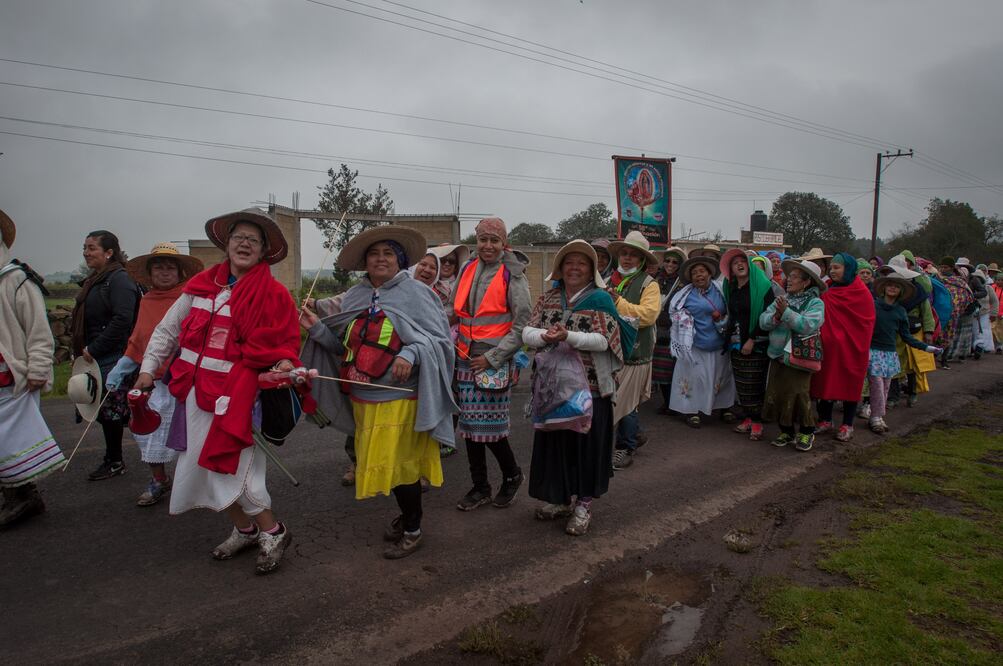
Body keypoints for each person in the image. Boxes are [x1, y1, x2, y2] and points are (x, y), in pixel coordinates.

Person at [135, 208, 300, 575]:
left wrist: (285, 364)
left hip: (240, 399)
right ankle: (244, 530)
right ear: (226, 244)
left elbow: (287, 345)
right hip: (193, 396)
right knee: (200, 469)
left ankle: (274, 532)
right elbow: (165, 332)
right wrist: (147, 370)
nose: (244, 244)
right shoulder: (198, 289)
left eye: (252, 240)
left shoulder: (274, 295)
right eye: (238, 237)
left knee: (238, 472)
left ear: (263, 252)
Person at [302, 226, 456, 559]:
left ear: (400, 260)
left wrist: (410, 353)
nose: (381, 259)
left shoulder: (418, 294)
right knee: (392, 467)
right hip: (363, 399)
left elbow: (442, 344)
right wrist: (315, 328)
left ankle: (413, 529)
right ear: (365, 261)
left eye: (388, 253)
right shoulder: (355, 296)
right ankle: (408, 517)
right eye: (374, 254)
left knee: (399, 467)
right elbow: (342, 349)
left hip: (400, 398)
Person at [522, 241, 627, 536]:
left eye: (582, 263)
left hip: (590, 390)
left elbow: (605, 341)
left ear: (592, 270)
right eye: (569, 262)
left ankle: (583, 504)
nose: (575, 268)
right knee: (557, 446)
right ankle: (560, 499)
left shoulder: (602, 300)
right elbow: (527, 332)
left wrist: (570, 336)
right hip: (553, 389)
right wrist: (546, 335)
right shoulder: (549, 298)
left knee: (587, 448)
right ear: (560, 268)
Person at [105, 242, 203, 506]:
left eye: (170, 267)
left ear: (180, 272)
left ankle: (193, 483)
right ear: (150, 273)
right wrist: (123, 366)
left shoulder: (191, 298)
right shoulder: (146, 301)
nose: (165, 272)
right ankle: (159, 480)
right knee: (148, 432)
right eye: (158, 267)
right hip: (153, 381)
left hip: (185, 379)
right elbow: (139, 339)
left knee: (191, 434)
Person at [448, 218, 531, 511]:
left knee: (492, 428)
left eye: (494, 240)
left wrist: (494, 357)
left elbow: (522, 324)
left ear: (504, 242)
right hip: (465, 357)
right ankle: (480, 487)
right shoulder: (468, 268)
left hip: (493, 360)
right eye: (483, 239)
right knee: (470, 427)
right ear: (476, 240)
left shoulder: (514, 273)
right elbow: (453, 311)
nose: (488, 246)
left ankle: (512, 475)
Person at [0, 210, 66, 527]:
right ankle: (14, 496)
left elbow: (38, 330)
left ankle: (24, 497)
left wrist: (38, 370)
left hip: (14, 379)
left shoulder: (15, 280)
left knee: (15, 443)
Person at [70, 229, 141, 480]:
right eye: (85, 247)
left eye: (92, 248)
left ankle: (115, 461)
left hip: (112, 354)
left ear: (109, 253)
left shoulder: (119, 279)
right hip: (96, 353)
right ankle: (114, 458)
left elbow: (123, 319)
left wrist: (95, 348)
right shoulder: (96, 279)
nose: (86, 253)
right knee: (104, 409)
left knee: (110, 410)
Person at [759, 260, 826, 451]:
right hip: (777, 355)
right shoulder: (781, 299)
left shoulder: (815, 303)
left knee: (799, 394)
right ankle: (786, 431)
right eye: (790, 276)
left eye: (795, 277)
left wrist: (786, 313)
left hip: (799, 358)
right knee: (778, 394)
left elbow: (808, 325)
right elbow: (763, 321)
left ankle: (806, 431)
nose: (789, 280)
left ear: (806, 282)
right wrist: (776, 317)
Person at [606, 231, 660, 467]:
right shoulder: (609, 281)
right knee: (616, 399)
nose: (627, 258)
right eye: (624, 254)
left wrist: (618, 303)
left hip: (635, 353)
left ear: (642, 260)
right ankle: (635, 434)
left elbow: (648, 316)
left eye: (633, 255)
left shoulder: (649, 284)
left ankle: (625, 446)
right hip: (610, 350)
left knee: (625, 402)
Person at [810, 253, 875, 442]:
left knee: (849, 384)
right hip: (828, 348)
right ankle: (825, 420)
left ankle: (847, 424)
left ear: (848, 269)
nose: (832, 271)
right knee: (826, 381)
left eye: (837, 268)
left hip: (852, 349)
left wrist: (846, 338)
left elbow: (866, 322)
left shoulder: (861, 293)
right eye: (831, 268)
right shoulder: (827, 289)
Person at [867, 274, 942, 433]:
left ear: (900, 290)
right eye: (890, 284)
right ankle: (875, 418)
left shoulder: (900, 311)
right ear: (884, 288)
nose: (892, 287)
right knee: (877, 387)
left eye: (896, 286)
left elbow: (906, 336)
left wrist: (927, 348)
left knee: (885, 387)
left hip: (890, 354)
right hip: (873, 353)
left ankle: (878, 416)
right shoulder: (872, 306)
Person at [667, 255, 735, 428]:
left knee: (721, 377)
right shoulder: (684, 295)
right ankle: (692, 411)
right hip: (695, 345)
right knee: (694, 378)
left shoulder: (721, 290)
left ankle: (725, 407)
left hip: (719, 343)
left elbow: (731, 309)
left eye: (702, 271)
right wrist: (683, 319)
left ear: (710, 273)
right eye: (694, 273)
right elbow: (673, 312)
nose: (699, 275)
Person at [721, 249, 773, 440]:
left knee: (755, 383)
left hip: (756, 344)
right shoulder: (731, 288)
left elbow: (767, 317)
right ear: (731, 269)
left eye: (743, 261)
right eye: (735, 263)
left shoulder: (763, 287)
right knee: (742, 384)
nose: (740, 264)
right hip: (736, 342)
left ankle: (758, 422)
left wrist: (752, 339)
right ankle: (749, 417)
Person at [652, 246, 687, 413]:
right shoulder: (655, 279)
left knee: (675, 370)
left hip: (675, 331)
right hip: (656, 329)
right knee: (660, 371)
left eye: (675, 262)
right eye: (667, 260)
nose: (670, 264)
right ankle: (667, 403)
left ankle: (677, 404)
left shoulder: (684, 283)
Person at [937, 257, 975, 367]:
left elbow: (967, 295)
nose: (943, 269)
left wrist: (959, 305)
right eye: (942, 267)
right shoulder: (936, 278)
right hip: (939, 311)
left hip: (954, 313)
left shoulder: (960, 281)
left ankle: (944, 360)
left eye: (946, 267)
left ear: (952, 268)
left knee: (949, 335)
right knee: (937, 334)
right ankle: (934, 357)